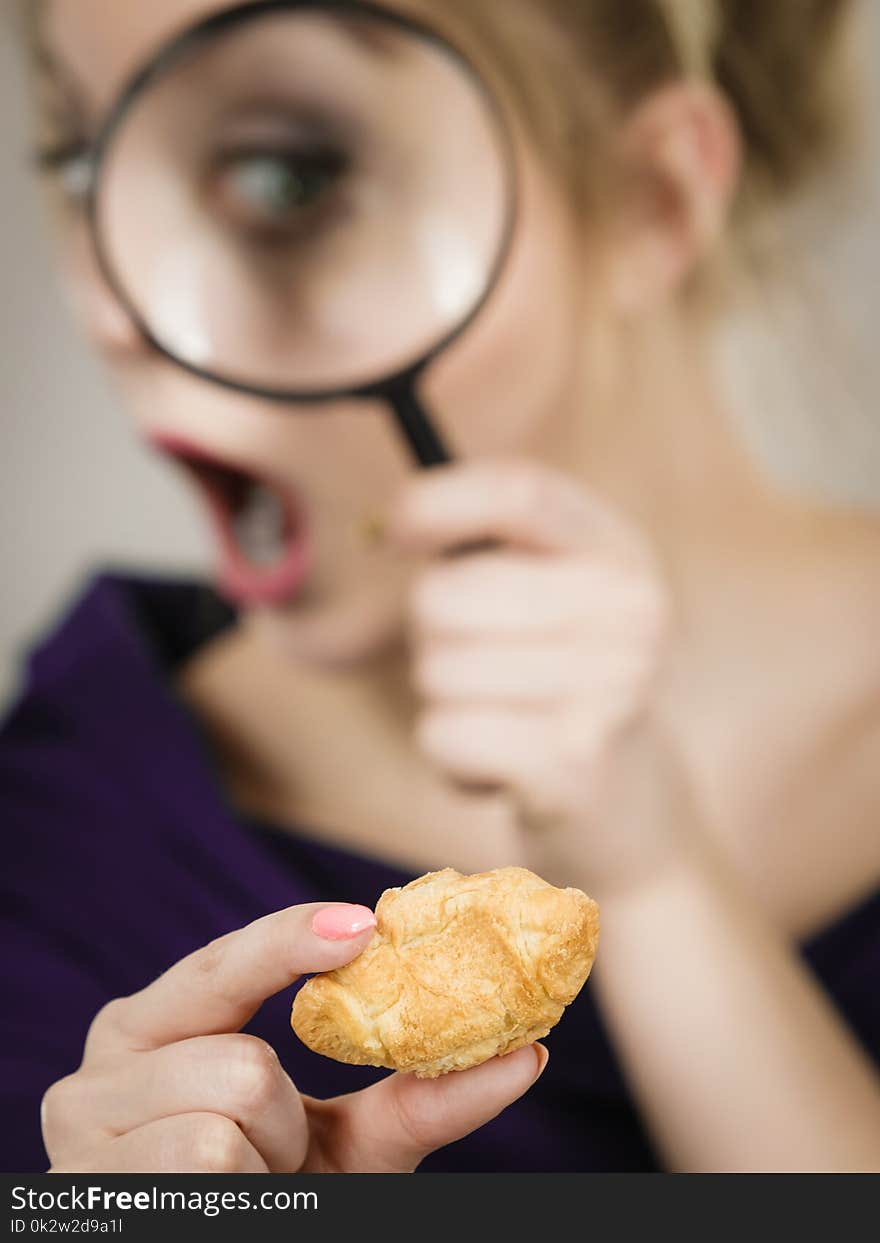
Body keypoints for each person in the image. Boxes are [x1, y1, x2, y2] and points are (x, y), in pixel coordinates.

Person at [3, 0, 880, 1174]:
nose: (107, 309)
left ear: (653, 198)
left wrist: (657, 876)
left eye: (283, 177)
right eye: (81, 158)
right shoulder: (64, 847)